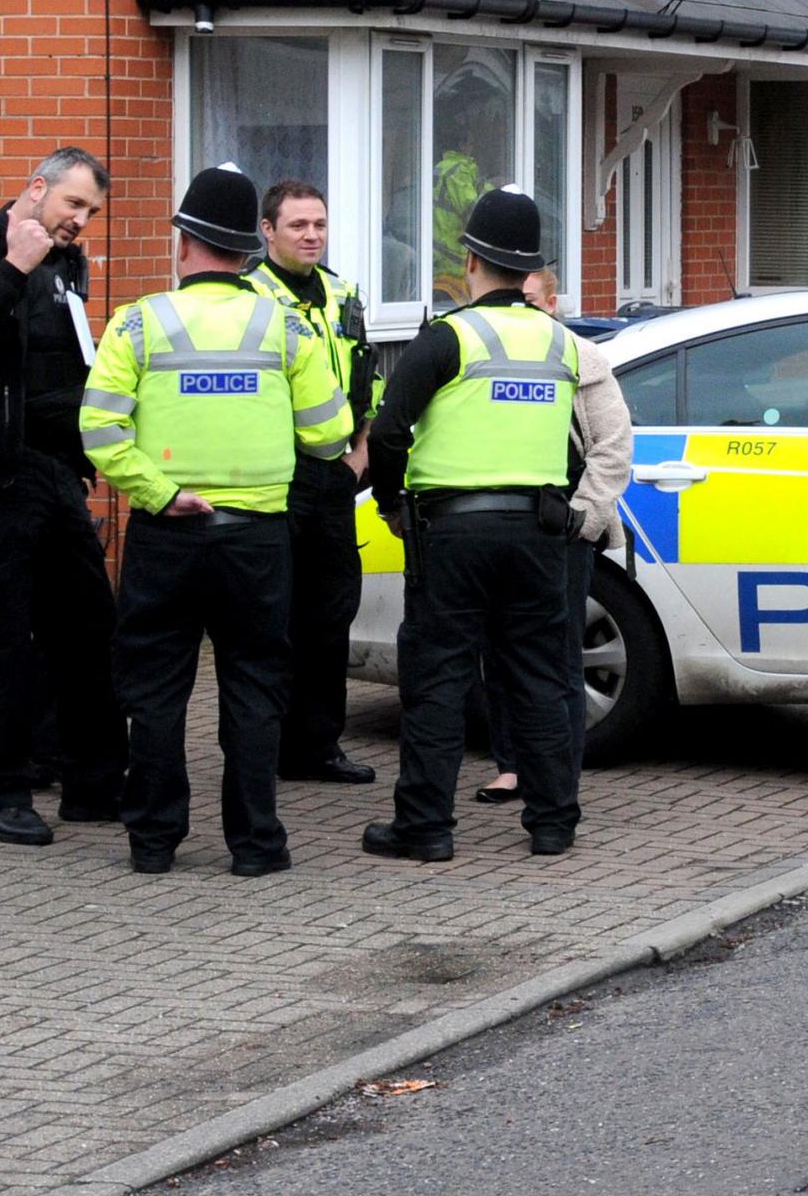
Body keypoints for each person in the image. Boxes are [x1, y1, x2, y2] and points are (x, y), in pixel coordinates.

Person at [78, 166, 353, 876]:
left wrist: (162, 491)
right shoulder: (285, 324)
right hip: (258, 538)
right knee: (256, 690)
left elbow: (100, 429)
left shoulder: (139, 321)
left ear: (184, 241)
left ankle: (153, 841)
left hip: (167, 535)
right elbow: (329, 432)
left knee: (157, 691)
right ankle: (257, 842)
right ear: (249, 247)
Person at [362, 190, 594, 863]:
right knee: (542, 676)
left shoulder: (447, 338)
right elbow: (574, 443)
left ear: (470, 259)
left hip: (452, 536)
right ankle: (553, 822)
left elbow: (389, 430)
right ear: (531, 270)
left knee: (438, 679)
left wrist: (388, 501)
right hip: (537, 533)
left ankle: (426, 827)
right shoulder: (563, 342)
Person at [0, 147, 126, 847]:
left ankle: (92, 781)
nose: (80, 221)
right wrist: (14, 267)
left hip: (53, 471)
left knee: (90, 628)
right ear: (36, 189)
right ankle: (3, 789)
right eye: (73, 204)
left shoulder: (71, 262)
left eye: (91, 211)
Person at [473, 268, 633, 806]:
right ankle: (512, 766)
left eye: (530, 301)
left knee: (557, 654)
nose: (520, 313)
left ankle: (558, 779)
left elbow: (612, 447)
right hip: (499, 527)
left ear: (552, 303)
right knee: (498, 648)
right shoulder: (482, 355)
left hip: (561, 531)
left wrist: (583, 521)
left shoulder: (581, 357)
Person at [247, 180, 380, 786]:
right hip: (275, 478)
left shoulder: (342, 295)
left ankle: (318, 747)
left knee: (330, 618)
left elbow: (368, 382)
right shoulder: (249, 297)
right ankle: (265, 747)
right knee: (272, 618)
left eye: (319, 225)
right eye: (298, 225)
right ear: (267, 231)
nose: (311, 236)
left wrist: (359, 457)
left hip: (333, 478)